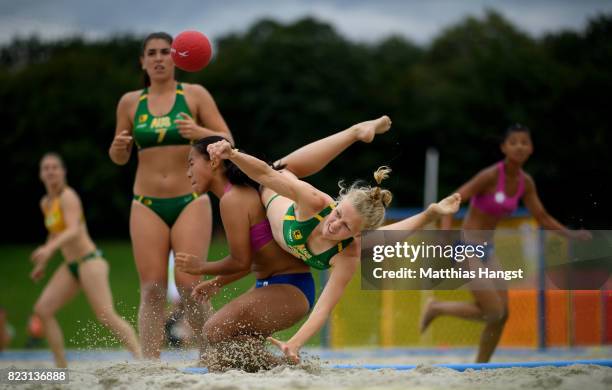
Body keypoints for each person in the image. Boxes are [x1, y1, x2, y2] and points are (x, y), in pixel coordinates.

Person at [202, 116, 461, 363]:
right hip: (269, 185)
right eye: (338, 213)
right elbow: (266, 177)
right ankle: (355, 132)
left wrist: (296, 342)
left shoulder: (347, 254)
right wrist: (232, 155)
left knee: (372, 244)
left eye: (345, 226)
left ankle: (427, 213)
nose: (333, 225)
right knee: (282, 168)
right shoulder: (316, 203)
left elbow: (324, 308)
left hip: (293, 270)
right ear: (336, 203)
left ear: (357, 232)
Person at [422, 124, 592, 363]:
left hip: (488, 249)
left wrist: (571, 235)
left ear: (531, 148)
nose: (520, 146)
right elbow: (452, 201)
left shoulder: (526, 183)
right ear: (504, 147)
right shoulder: (490, 175)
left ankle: (481, 366)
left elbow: (541, 217)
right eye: (514, 142)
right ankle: (436, 307)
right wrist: (444, 236)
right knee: (493, 311)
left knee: (503, 315)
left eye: (525, 142)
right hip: (465, 245)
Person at [108, 31, 233, 358]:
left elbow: (228, 140)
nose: (159, 58)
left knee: (190, 286)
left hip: (190, 201)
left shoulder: (194, 94)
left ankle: (212, 355)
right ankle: (149, 365)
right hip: (146, 203)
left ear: (176, 57)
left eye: (165, 51)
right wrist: (118, 149)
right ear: (143, 61)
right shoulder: (130, 102)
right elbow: (119, 158)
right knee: (151, 289)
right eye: (152, 53)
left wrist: (199, 133)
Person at [31, 153, 141, 367]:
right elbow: (55, 232)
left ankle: (140, 357)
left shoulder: (68, 196)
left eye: (55, 167)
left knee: (106, 315)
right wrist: (43, 261)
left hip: (90, 261)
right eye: (46, 168)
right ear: (41, 174)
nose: (51, 171)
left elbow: (73, 230)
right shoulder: (46, 202)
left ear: (63, 172)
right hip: (71, 265)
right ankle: (61, 366)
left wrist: (49, 249)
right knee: (43, 310)